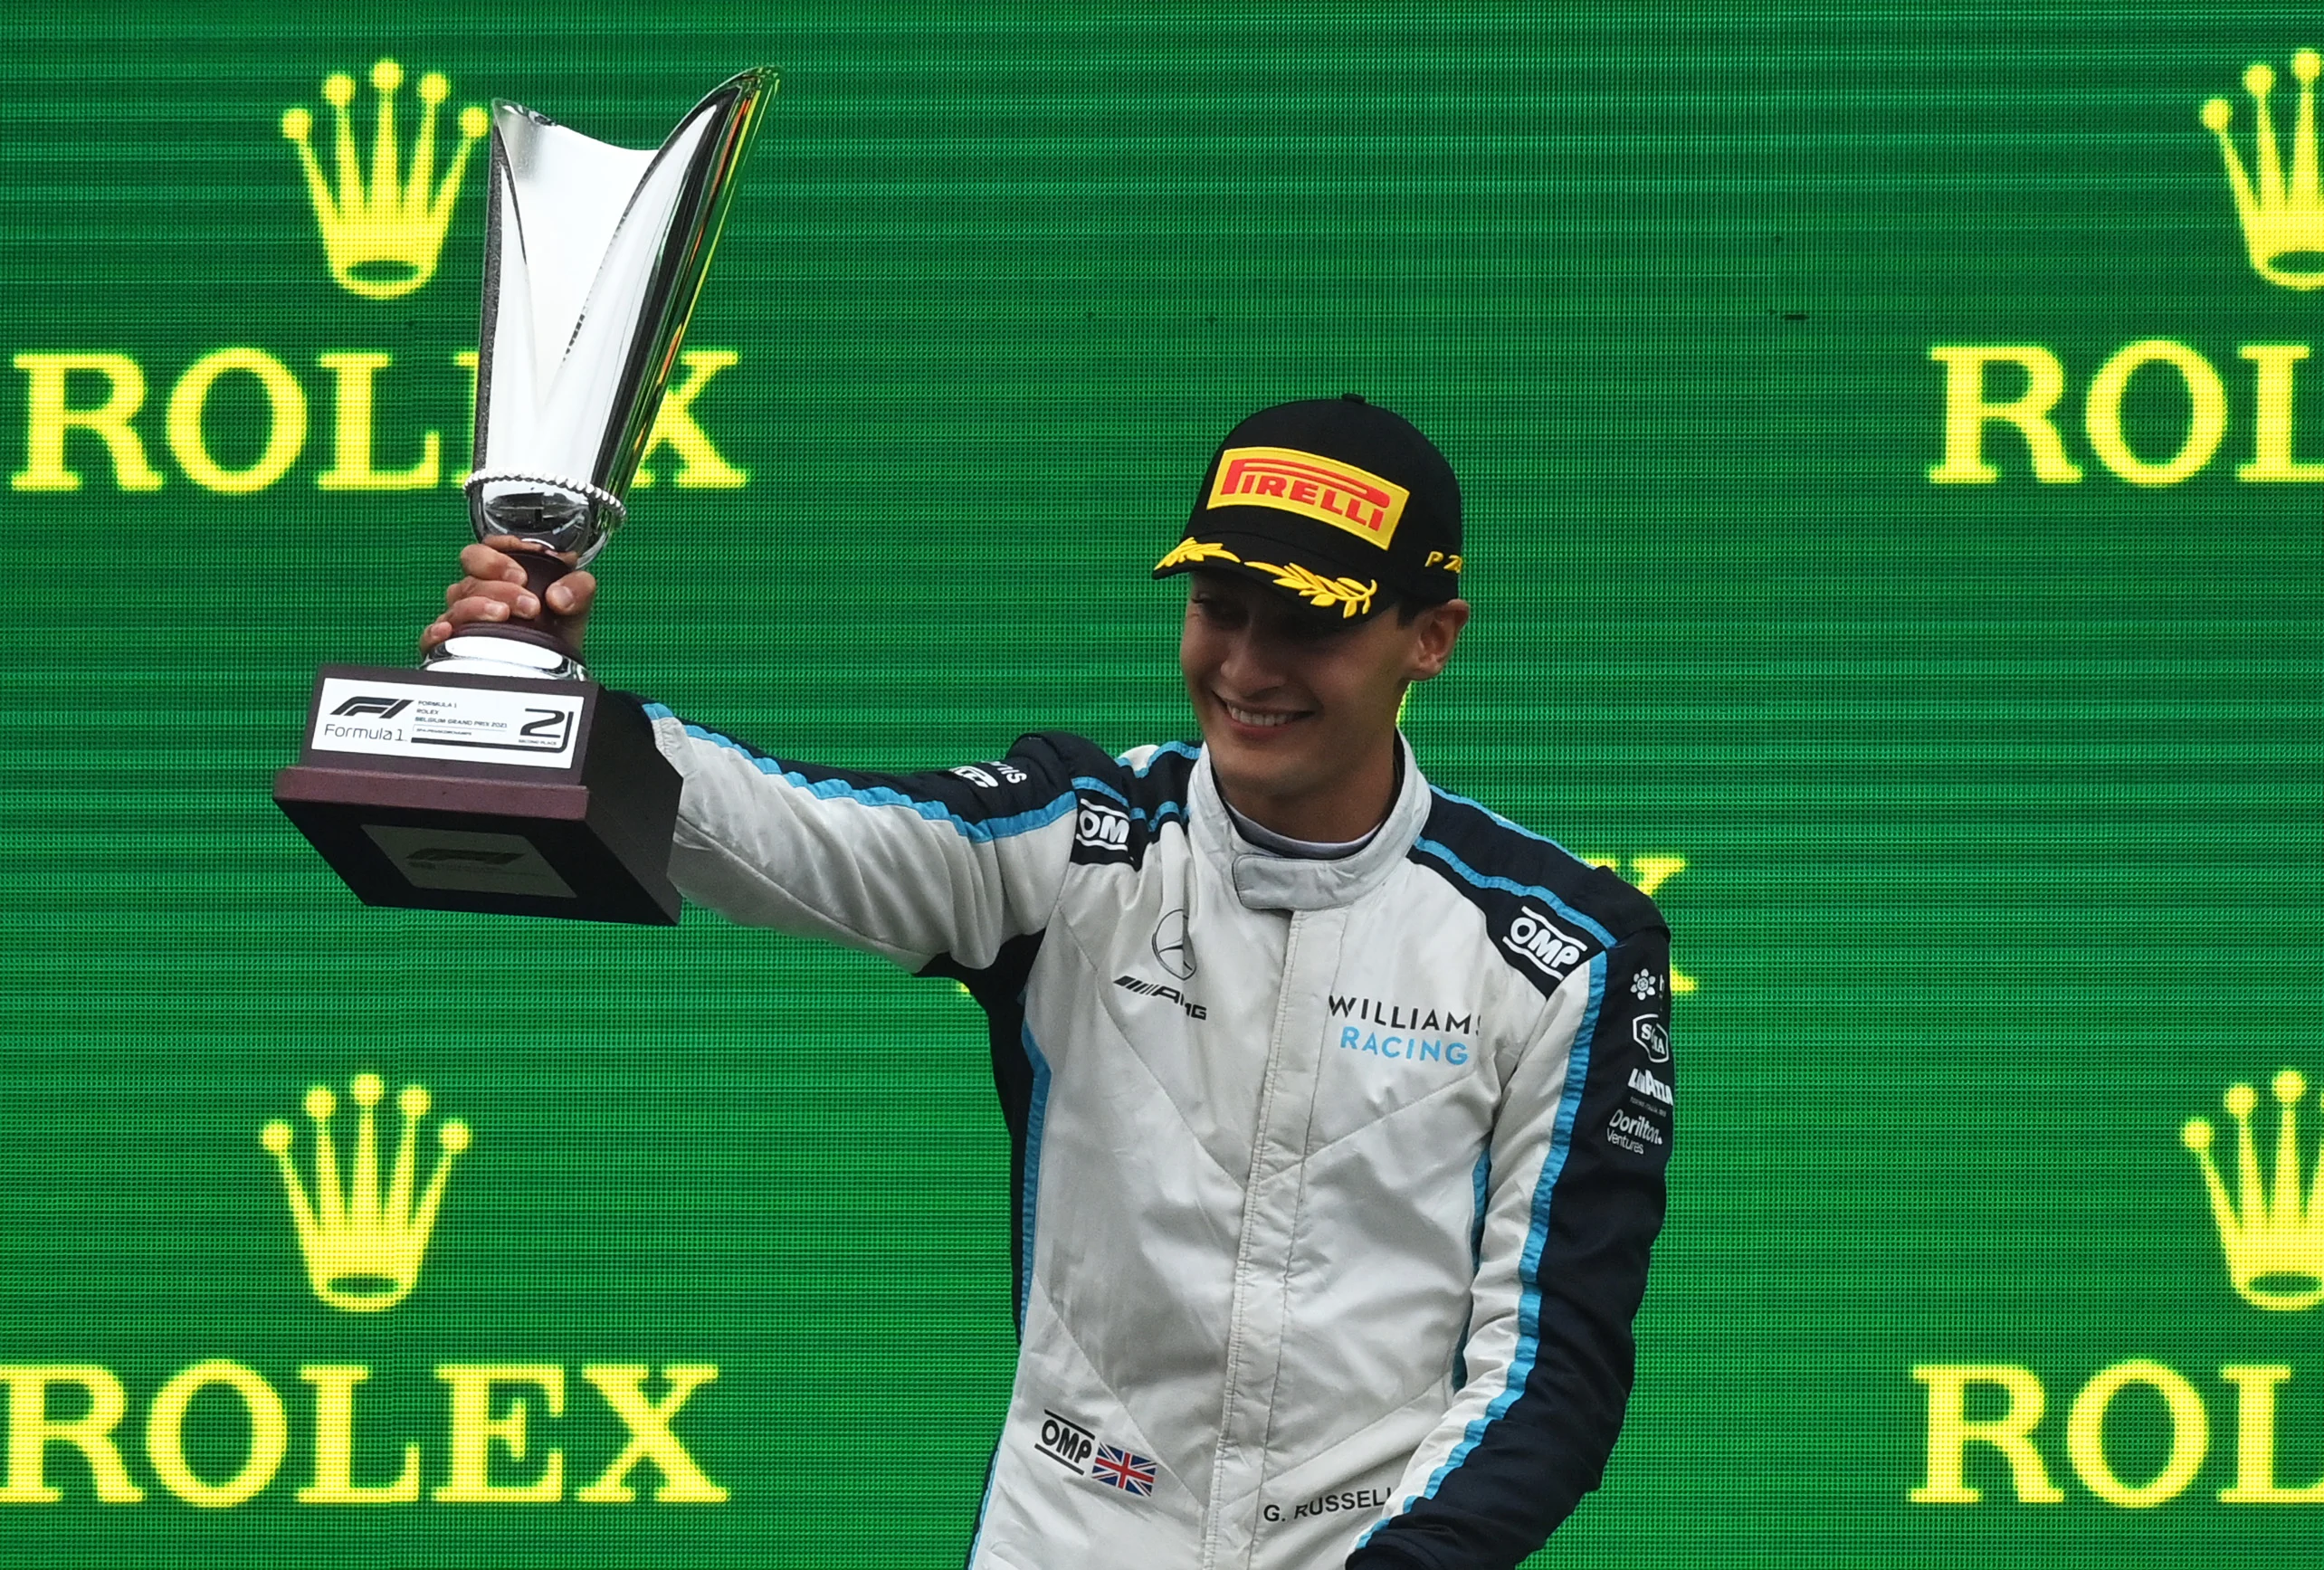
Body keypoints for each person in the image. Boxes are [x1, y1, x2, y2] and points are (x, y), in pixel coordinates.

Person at [424, 395, 1673, 1570]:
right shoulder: (1081, 841)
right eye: (1219, 606)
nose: (1246, 666)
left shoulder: (1565, 948)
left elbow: (1548, 1366)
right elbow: (796, 831)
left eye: (1308, 621)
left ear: (1431, 638)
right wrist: (563, 715)